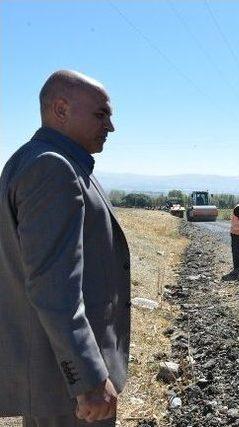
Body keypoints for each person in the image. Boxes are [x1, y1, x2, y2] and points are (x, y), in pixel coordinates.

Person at [0, 70, 130, 427]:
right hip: (67, 390)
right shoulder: (52, 169)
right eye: (101, 114)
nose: (111, 126)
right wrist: (88, 378)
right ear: (61, 109)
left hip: (54, 381)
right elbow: (53, 288)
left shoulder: (39, 160)